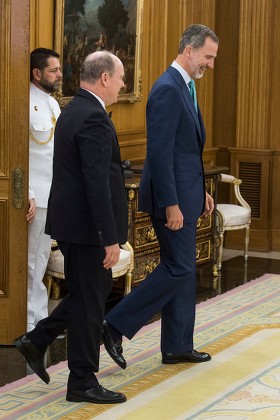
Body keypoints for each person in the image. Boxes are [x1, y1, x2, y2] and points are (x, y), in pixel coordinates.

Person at [102, 24, 219, 369]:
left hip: (186, 195)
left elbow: (186, 152)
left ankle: (178, 344)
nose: (210, 64)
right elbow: (160, 153)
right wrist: (172, 203)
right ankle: (116, 323)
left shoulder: (185, 86)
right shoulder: (167, 89)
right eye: (208, 57)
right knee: (180, 267)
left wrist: (200, 193)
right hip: (171, 201)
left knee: (182, 269)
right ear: (189, 50)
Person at [14, 51, 128, 405]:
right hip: (87, 229)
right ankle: (81, 380)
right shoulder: (91, 116)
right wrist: (108, 238)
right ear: (105, 78)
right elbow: (95, 183)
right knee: (91, 303)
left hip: (74, 226)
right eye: (120, 78)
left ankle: (37, 338)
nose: (122, 85)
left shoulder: (72, 108)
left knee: (86, 295)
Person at [27, 48, 62, 332]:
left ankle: (38, 318)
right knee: (30, 260)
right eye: (53, 70)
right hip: (33, 197)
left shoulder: (53, 104)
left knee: (41, 258)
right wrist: (25, 190)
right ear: (37, 73)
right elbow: (19, 154)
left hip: (52, 195)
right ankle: (29, 319)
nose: (59, 75)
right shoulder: (24, 102)